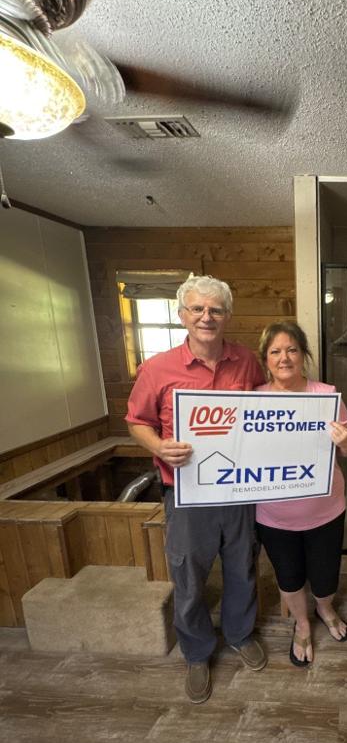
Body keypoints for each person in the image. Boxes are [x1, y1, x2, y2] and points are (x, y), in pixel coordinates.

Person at [125, 275, 267, 704]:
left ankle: (240, 633)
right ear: (182, 315)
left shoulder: (246, 361)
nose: (207, 317)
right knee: (188, 575)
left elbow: (265, 411)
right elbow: (137, 422)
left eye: (216, 309)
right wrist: (158, 447)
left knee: (242, 567)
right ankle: (198, 652)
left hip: (238, 491)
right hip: (186, 493)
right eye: (198, 309)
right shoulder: (157, 368)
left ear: (227, 315)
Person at [255, 320, 347, 666]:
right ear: (266, 359)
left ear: (303, 355)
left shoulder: (326, 396)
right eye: (275, 351)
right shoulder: (251, 399)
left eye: (292, 350)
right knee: (289, 577)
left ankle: (325, 610)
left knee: (326, 576)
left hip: (325, 510)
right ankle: (301, 624)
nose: (284, 358)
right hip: (273, 516)